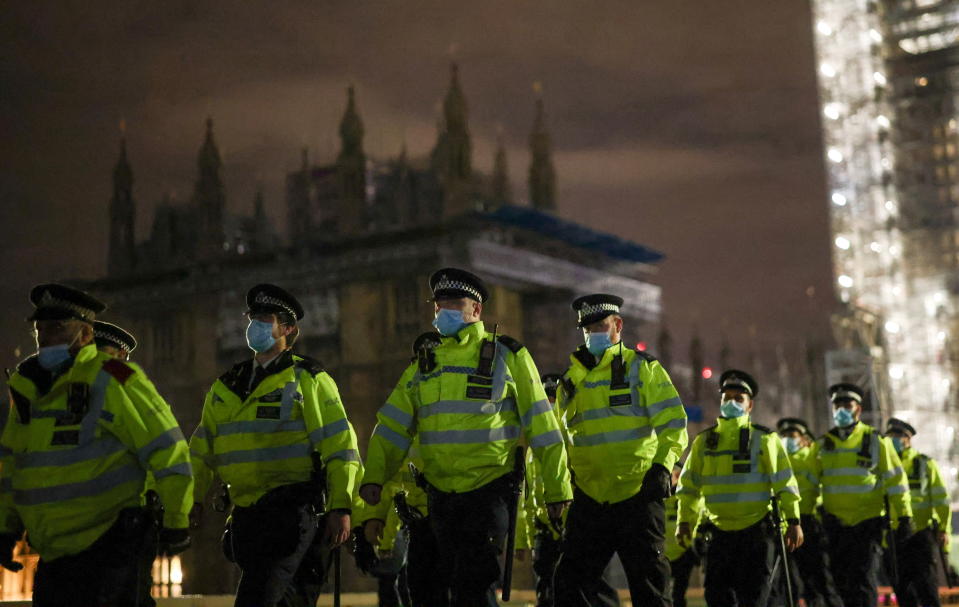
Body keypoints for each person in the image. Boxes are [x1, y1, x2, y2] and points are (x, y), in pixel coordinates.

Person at [361, 268, 573, 607]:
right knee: (426, 591)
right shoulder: (425, 365)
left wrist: (557, 487)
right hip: (439, 499)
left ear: (476, 310)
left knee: (472, 590)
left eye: (454, 303)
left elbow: (541, 424)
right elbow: (391, 427)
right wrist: (374, 477)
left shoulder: (508, 356)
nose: (443, 310)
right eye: (439, 304)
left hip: (487, 494)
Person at [0, 283, 193, 607]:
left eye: (58, 328)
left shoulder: (114, 377)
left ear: (86, 335)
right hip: (53, 554)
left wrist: (176, 520)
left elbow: (168, 448)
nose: (45, 338)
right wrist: (6, 529)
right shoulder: (26, 389)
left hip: (109, 545)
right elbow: (14, 467)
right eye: (40, 329)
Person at [189, 284, 361, 607]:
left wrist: (342, 505)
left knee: (255, 600)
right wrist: (191, 498)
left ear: (288, 328)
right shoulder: (226, 386)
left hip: (290, 514)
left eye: (266, 318)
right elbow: (201, 449)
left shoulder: (307, 379)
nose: (256, 325)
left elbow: (340, 445)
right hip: (245, 518)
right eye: (253, 317)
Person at [554, 293, 688, 606]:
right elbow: (560, 440)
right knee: (569, 587)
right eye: (587, 329)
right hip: (589, 499)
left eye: (600, 326)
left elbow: (674, 423)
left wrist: (662, 467)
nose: (593, 334)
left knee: (650, 593)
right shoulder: (570, 381)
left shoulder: (643, 369)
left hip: (637, 496)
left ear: (618, 325)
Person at [676, 369, 802, 607]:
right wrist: (685, 522)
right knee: (716, 598)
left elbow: (785, 483)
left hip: (755, 535)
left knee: (753, 600)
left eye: (739, 398)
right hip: (719, 535)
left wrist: (793, 521)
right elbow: (688, 487)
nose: (732, 402)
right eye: (727, 398)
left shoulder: (765, 440)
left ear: (750, 405)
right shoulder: (704, 442)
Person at [810, 383, 912, 607]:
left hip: (867, 525)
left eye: (847, 405)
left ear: (858, 409)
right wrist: (804, 518)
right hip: (835, 527)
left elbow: (896, 480)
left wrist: (904, 517)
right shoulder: (823, 445)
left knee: (862, 581)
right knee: (839, 583)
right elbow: (808, 485)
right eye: (837, 405)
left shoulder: (876, 441)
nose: (841, 410)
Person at [884, 417, 951, 607]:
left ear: (908, 439)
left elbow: (940, 499)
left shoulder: (924, 464)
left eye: (898, 436)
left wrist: (943, 529)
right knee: (902, 590)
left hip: (920, 535)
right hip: (893, 536)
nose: (893, 440)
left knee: (927, 587)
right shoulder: (882, 465)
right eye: (890, 436)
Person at [775, 417, 842, 607]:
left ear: (803, 438)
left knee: (819, 579)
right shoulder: (777, 461)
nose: (788, 439)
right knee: (788, 582)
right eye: (785, 435)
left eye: (792, 435)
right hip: (783, 525)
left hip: (809, 523)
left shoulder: (812, 458)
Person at [665, 464, 702, 607]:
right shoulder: (660, 499)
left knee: (678, 595)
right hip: (664, 555)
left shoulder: (684, 499)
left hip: (682, 553)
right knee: (665, 594)